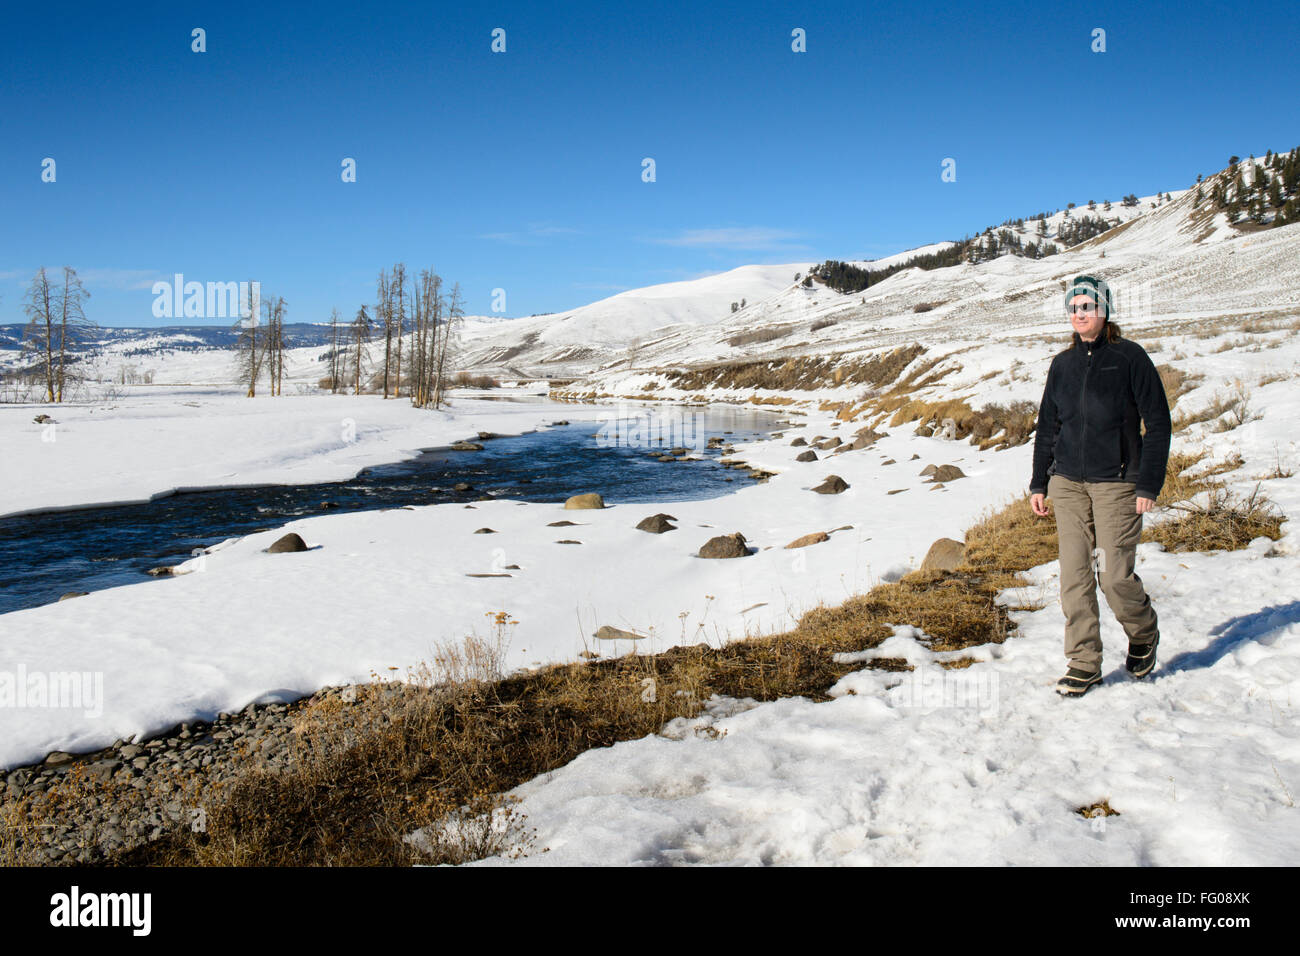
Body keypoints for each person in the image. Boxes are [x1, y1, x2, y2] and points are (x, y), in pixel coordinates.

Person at [1029, 275, 1171, 696]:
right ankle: (1084, 662)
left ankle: (1143, 630)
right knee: (1074, 577)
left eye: (1088, 307)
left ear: (1105, 311)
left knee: (1113, 577)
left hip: (1118, 484)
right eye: (1074, 308)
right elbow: (1048, 427)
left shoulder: (1129, 358)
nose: (1080, 314)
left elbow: (1159, 423)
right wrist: (1040, 482)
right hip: (1068, 484)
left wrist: (1148, 483)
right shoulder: (1062, 365)